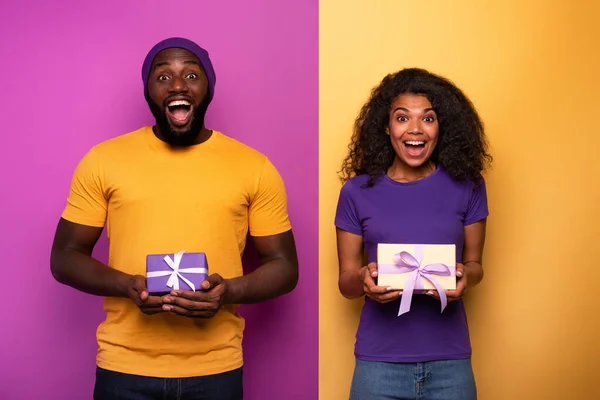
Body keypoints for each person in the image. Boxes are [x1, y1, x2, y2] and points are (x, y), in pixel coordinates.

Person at [50, 37, 299, 400]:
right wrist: (127, 285)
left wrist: (229, 291)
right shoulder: (103, 160)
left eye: (191, 75)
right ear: (149, 91)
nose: (178, 85)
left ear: (208, 88)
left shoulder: (254, 167)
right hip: (124, 367)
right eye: (163, 77)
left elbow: (285, 266)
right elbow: (64, 257)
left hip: (216, 368)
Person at [335, 68, 492, 400]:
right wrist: (363, 278)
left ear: (441, 126)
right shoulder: (356, 192)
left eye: (428, 118)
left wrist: (465, 276)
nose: (415, 129)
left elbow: (475, 265)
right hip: (379, 366)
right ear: (386, 126)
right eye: (402, 118)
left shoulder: (469, 186)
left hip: (450, 362)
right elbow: (346, 282)